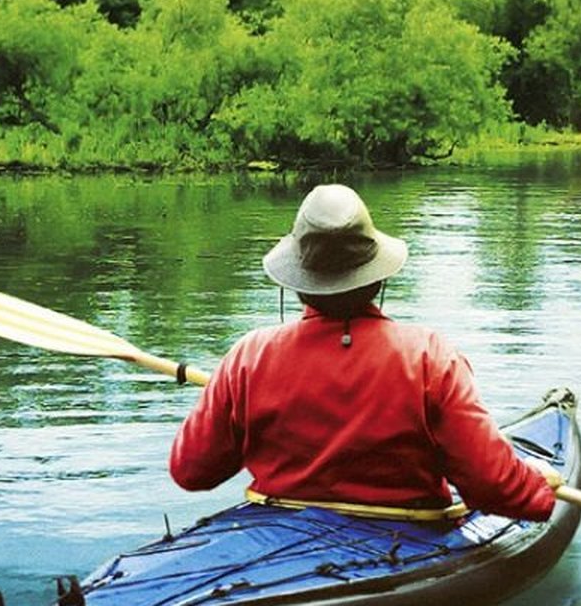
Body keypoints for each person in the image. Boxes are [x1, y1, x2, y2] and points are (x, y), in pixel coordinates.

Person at [169, 183, 559, 522]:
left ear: (298, 282)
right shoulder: (430, 358)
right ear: (377, 278)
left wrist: (232, 394)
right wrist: (538, 486)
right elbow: (493, 487)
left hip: (277, 528)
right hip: (408, 530)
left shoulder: (248, 357)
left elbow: (192, 471)